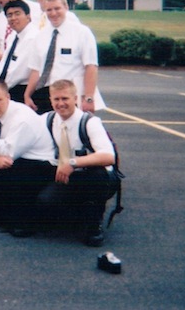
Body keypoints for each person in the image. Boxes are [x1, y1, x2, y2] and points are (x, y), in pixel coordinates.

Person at [37, 79, 117, 246]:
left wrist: (73, 163)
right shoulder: (47, 119)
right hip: (66, 175)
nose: (61, 103)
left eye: (65, 98)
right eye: (56, 99)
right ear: (50, 100)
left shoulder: (89, 122)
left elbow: (109, 157)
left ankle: (94, 226)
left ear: (75, 99)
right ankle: (76, 213)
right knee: (46, 201)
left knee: (97, 175)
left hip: (94, 177)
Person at [0, 79, 55, 236]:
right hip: (16, 159)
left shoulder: (22, 118)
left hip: (41, 163)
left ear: (8, 97)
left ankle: (26, 222)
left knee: (12, 169)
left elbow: (7, 153)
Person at [24, 0, 103, 114]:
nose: (53, 13)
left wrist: (89, 98)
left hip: (73, 96)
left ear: (66, 7)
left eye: (57, 8)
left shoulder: (82, 33)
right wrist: (28, 95)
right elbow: (36, 70)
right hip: (47, 95)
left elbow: (91, 66)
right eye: (49, 10)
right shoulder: (40, 36)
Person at [0, 0, 40, 103]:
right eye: (9, 15)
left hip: (24, 91)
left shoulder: (33, 37)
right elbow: (4, 64)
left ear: (28, 16)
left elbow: (19, 71)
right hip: (9, 88)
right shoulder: (13, 36)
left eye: (17, 14)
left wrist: (0, 88)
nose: (13, 18)